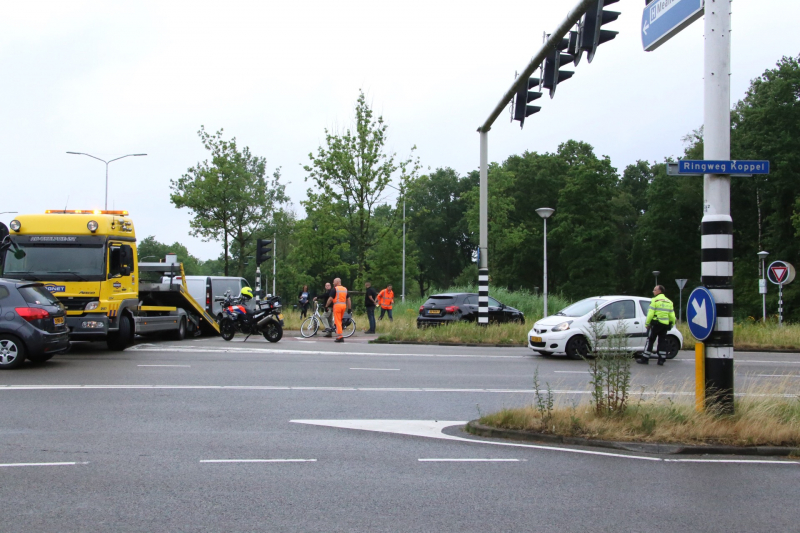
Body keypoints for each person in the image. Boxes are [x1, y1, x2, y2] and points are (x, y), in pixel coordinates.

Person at [637, 285, 676, 366]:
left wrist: (647, 323)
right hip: (665, 325)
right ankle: (661, 360)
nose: (653, 291)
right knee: (662, 341)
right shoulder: (669, 302)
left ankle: (645, 358)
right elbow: (672, 316)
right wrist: (671, 324)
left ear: (659, 291)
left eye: (654, 290)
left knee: (650, 340)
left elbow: (650, 314)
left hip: (656, 324)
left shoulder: (654, 300)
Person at [326, 277, 352, 343]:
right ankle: (338, 335)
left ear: (337, 282)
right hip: (343, 306)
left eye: (334, 282)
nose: (333, 283)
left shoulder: (335, 289)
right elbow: (348, 299)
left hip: (337, 306)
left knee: (337, 321)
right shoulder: (345, 289)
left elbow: (330, 299)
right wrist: (349, 308)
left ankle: (340, 336)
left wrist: (326, 306)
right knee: (339, 321)